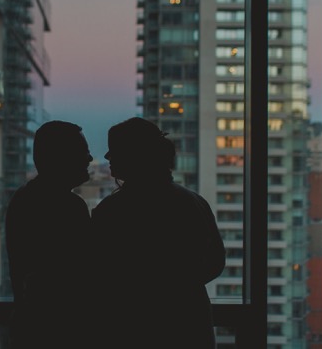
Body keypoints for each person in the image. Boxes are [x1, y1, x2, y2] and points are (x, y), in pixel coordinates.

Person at [91, 117, 226, 349]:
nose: (107, 157)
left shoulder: (112, 211)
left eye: (115, 151)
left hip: (129, 328)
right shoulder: (192, 203)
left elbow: (98, 273)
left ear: (133, 156)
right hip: (188, 325)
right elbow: (214, 263)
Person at [4, 120, 94, 349]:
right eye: (82, 152)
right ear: (62, 157)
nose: (89, 158)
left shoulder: (24, 198)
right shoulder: (69, 206)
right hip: (61, 330)